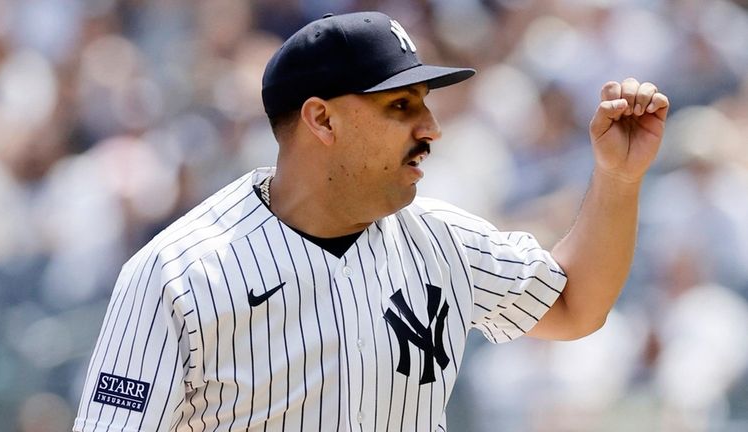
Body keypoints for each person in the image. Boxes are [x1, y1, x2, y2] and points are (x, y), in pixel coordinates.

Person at [73, 11, 669, 432]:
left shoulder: (443, 242)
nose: (430, 127)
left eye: (426, 103)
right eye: (400, 106)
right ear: (322, 120)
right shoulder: (178, 275)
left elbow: (574, 306)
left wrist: (617, 179)